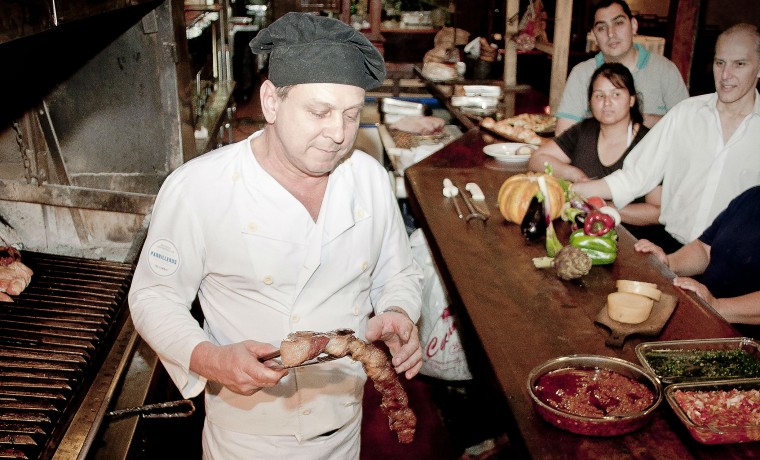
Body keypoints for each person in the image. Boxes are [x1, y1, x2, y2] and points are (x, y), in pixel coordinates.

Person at [128, 12, 424, 459]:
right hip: (246, 437)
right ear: (270, 101)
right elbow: (153, 297)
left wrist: (400, 309)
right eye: (319, 112)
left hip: (344, 430)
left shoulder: (368, 177)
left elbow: (398, 271)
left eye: (350, 114)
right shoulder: (199, 188)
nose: (339, 134)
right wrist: (210, 358)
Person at [572, 23, 760, 250]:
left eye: (739, 64)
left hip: (735, 263)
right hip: (671, 248)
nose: (726, 75)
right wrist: (571, 191)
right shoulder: (686, 113)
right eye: (720, 63)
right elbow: (636, 175)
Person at [529, 62, 661, 231]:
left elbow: (656, 212)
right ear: (590, 101)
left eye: (616, 94)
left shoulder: (648, 143)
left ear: (631, 100)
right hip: (583, 232)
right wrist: (575, 174)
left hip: (633, 240)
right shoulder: (585, 130)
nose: (607, 102)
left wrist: (604, 207)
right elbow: (537, 159)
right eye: (599, 96)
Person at [554, 0, 688, 136]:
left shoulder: (665, 70)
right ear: (594, 36)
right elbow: (563, 136)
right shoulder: (582, 74)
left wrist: (637, 119)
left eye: (618, 23)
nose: (611, 33)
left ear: (634, 26)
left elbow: (688, 127)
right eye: (601, 28)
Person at [634, 185, 760, 325]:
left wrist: (718, 306)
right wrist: (668, 263)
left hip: (741, 336)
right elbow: (704, 249)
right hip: (702, 312)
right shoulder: (752, 197)